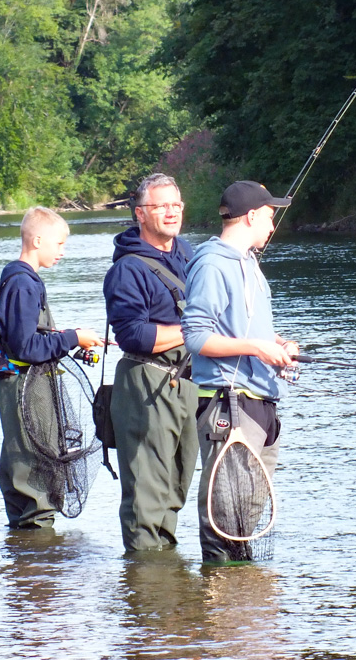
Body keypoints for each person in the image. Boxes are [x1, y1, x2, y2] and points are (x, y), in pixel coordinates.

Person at [180, 181, 300, 563]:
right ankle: (218, 591)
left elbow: (248, 329)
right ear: (251, 216)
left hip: (261, 401)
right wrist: (256, 348)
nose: (272, 226)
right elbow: (195, 336)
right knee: (225, 517)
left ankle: (242, 595)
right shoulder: (212, 264)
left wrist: (279, 344)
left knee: (246, 514)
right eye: (269, 217)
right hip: (228, 404)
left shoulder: (249, 264)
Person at [102, 174, 198, 551]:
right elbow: (133, 335)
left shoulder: (187, 253)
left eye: (176, 204)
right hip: (147, 383)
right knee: (146, 496)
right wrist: (195, 330)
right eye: (161, 206)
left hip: (188, 382)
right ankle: (144, 577)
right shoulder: (127, 269)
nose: (171, 212)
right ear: (140, 213)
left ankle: (168, 573)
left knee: (176, 486)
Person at [0, 206, 104, 529]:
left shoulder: (21, 279)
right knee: (34, 464)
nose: (62, 251)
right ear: (38, 240)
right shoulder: (23, 284)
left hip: (25, 385)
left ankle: (26, 548)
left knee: (24, 461)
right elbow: (26, 347)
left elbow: (27, 336)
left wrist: (70, 337)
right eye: (59, 244)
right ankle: (39, 544)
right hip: (26, 389)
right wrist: (72, 338)